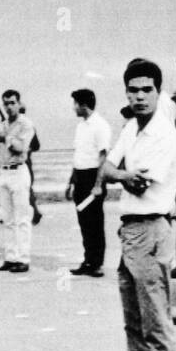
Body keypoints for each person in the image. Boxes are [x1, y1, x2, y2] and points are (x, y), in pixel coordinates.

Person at [101, 59, 176, 351]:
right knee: (133, 323)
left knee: (156, 325)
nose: (139, 97)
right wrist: (120, 173)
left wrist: (120, 174)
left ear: (158, 91)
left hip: (151, 228)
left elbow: (140, 185)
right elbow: (108, 170)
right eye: (132, 90)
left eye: (146, 90)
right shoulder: (132, 128)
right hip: (129, 230)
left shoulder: (166, 135)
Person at [66, 88, 111, 276]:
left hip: (93, 177)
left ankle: (97, 263)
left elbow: (103, 157)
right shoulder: (80, 126)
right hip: (80, 177)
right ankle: (88, 260)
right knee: (84, 222)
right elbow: (78, 155)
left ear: (83, 104)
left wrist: (98, 184)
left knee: (95, 223)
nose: (73, 107)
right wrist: (70, 182)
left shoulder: (100, 125)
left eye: (75, 103)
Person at [0, 90, 35, 272]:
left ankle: (23, 259)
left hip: (18, 171)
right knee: (7, 219)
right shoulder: (3, 125)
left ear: (18, 103)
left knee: (22, 219)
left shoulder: (25, 124)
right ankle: (10, 257)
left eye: (12, 103)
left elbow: (22, 148)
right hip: (5, 172)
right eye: (6, 104)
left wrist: (8, 138)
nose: (9, 107)